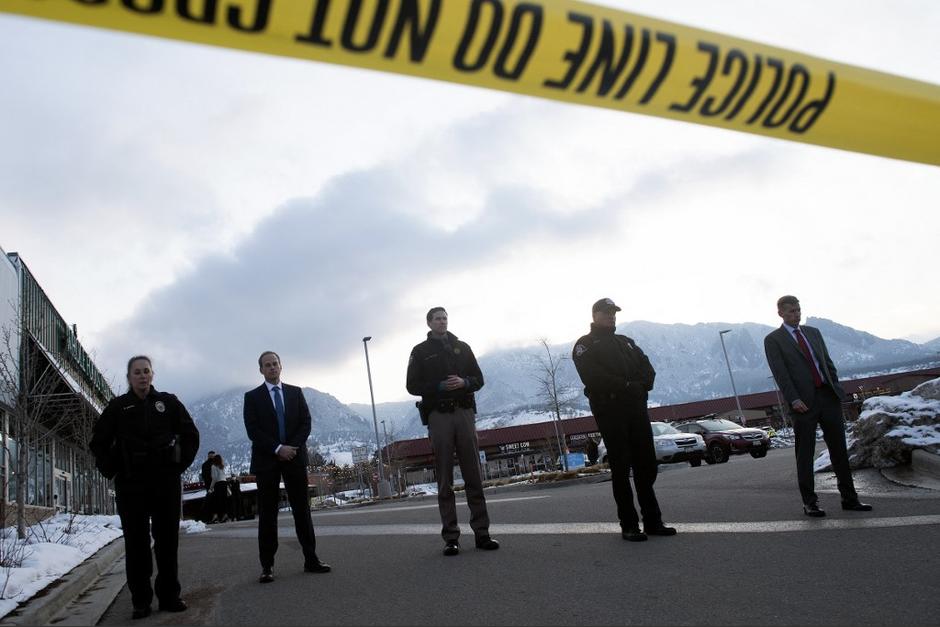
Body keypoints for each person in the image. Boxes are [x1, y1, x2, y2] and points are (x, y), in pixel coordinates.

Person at [89, 355, 200, 620]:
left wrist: (178, 466)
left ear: (152, 375)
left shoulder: (169, 403)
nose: (142, 376)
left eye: (146, 371)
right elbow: (98, 442)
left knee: (167, 543)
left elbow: (191, 435)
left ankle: (170, 596)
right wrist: (113, 470)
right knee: (136, 545)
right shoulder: (118, 407)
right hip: (131, 485)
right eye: (136, 372)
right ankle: (140, 601)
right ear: (129, 377)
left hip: (165, 483)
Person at [572, 298, 676, 542]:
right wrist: (627, 385)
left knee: (646, 464)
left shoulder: (625, 342)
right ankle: (629, 524)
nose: (612, 316)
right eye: (607, 312)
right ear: (595, 315)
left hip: (636, 408)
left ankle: (653, 521)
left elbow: (647, 369)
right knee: (621, 467)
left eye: (614, 312)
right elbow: (593, 377)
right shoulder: (585, 345)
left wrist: (640, 386)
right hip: (610, 409)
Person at [764, 295, 873, 517]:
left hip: (828, 397)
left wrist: (837, 391)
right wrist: (794, 399)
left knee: (839, 450)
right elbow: (781, 374)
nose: (796, 314)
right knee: (805, 454)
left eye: (798, 310)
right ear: (781, 314)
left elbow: (827, 363)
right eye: (791, 311)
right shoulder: (773, 340)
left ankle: (850, 498)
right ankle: (810, 503)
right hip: (803, 403)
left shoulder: (813, 333)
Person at [406, 306, 499, 556]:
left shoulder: (463, 347)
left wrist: (465, 382)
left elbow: (479, 378)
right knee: (445, 478)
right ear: (429, 323)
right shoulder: (420, 352)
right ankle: (451, 537)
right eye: (437, 319)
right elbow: (412, 386)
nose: (442, 322)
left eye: (445, 318)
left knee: (474, 475)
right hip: (439, 416)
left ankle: (482, 533)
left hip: (464, 412)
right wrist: (438, 386)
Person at [243, 351, 330, 583]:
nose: (272, 368)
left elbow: (306, 422)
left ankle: (311, 559)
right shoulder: (252, 397)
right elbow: (253, 430)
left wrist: (291, 447)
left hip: (294, 458)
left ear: (281, 367)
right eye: (267, 365)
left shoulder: (295, 392)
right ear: (260, 370)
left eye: (275, 364)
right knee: (268, 515)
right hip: (267, 461)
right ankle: (267, 566)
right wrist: (277, 448)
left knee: (302, 510)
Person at [209, 454, 230, 523]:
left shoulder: (213, 466)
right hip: (224, 483)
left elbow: (214, 478)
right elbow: (224, 476)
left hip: (218, 484)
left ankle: (215, 516)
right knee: (224, 500)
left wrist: (211, 488)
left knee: (217, 500)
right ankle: (225, 515)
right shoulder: (222, 466)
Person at [200, 450, 216, 523]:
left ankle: (211, 517)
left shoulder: (205, 464)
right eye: (213, 455)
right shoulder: (215, 464)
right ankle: (214, 516)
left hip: (209, 486)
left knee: (210, 502)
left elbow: (203, 476)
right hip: (214, 485)